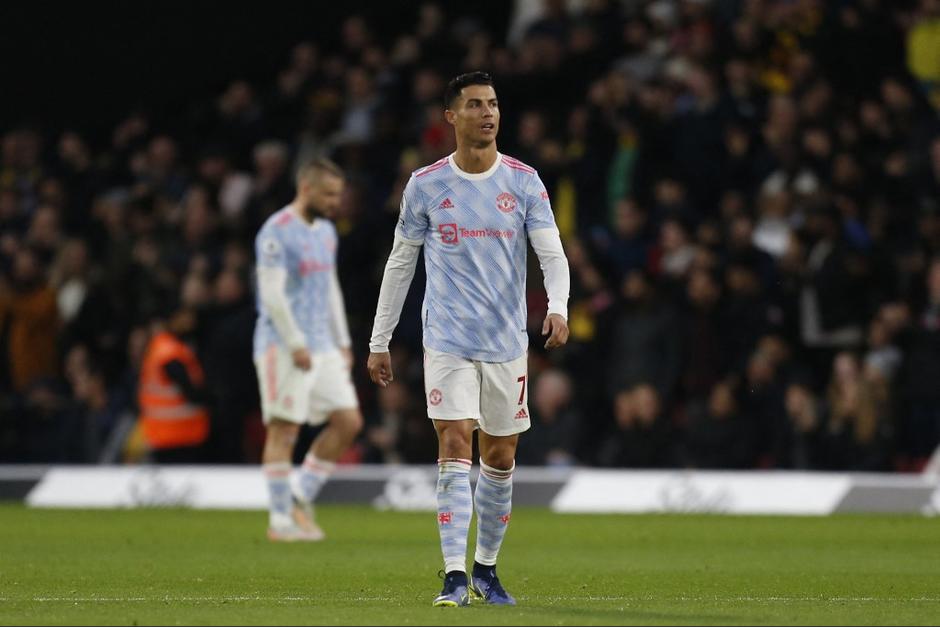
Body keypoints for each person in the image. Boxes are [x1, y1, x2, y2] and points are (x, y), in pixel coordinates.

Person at [367, 72, 570, 607]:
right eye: (476, 104)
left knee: (500, 457)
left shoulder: (524, 182)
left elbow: (551, 253)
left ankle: (485, 569)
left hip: (506, 343)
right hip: (448, 339)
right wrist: (379, 339)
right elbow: (401, 262)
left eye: (494, 104)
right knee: (455, 440)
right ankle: (454, 574)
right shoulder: (427, 185)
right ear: (451, 117)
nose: (488, 113)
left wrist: (558, 307)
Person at [253, 157, 364, 542]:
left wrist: (344, 341)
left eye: (338, 194)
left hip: (323, 344)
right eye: (329, 194)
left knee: (348, 420)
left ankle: (299, 496)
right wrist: (295, 342)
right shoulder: (276, 231)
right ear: (306, 189)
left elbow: (329, 286)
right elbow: (271, 294)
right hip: (282, 345)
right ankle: (280, 521)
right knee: (284, 430)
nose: (336, 202)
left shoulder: (326, 232)